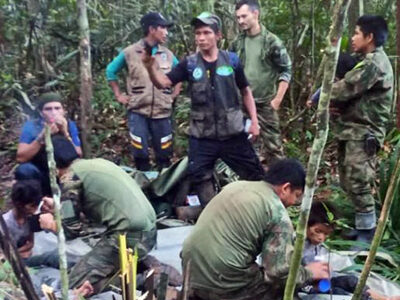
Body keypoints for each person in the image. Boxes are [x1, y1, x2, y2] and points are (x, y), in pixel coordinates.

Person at [181, 159, 330, 300]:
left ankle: (188, 299)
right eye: (296, 195)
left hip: (190, 267)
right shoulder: (277, 213)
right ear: (285, 188)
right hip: (226, 277)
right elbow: (277, 273)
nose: (294, 203)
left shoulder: (235, 186)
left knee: (224, 270)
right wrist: (309, 272)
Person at [143, 11, 264, 206]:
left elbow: (246, 91)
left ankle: (258, 211)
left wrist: (254, 122)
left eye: (206, 32)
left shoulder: (231, 60)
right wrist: (149, 67)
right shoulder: (189, 64)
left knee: (255, 174)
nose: (201, 38)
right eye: (198, 33)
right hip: (202, 135)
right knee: (198, 174)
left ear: (218, 36)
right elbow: (163, 83)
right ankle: (213, 211)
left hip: (232, 132)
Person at [38, 136, 158, 296]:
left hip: (128, 237)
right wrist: (59, 208)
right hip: (149, 232)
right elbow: (97, 207)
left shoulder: (70, 178)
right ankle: (136, 265)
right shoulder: (96, 164)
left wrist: (51, 224)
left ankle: (142, 279)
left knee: (73, 286)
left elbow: (71, 231)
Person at [330, 15, 393, 249]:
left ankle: (368, 233)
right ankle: (361, 225)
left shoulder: (374, 64)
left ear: (370, 37)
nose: (353, 38)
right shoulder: (364, 60)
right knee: (348, 179)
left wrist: (321, 94)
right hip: (352, 129)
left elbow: (345, 88)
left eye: (357, 33)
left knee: (359, 181)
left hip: (364, 131)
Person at [107, 12, 181, 171]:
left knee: (164, 152)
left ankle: (164, 186)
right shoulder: (130, 52)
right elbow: (110, 71)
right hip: (138, 111)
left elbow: (180, 74)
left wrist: (174, 94)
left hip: (162, 112)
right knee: (139, 151)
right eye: (163, 28)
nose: (166, 32)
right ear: (152, 29)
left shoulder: (167, 54)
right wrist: (119, 95)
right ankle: (143, 183)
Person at [303, 201, 400, 300]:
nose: (321, 238)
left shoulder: (314, 246)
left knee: (351, 281)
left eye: (326, 234)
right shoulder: (295, 245)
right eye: (318, 231)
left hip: (320, 283)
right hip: (304, 286)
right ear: (306, 224)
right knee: (340, 294)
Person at [232, 0, 291, 164]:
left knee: (274, 147)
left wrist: (277, 100)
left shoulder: (272, 42)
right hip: (242, 104)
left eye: (244, 16)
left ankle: (281, 184)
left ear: (255, 14)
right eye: (238, 17)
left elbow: (286, 70)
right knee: (243, 146)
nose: (240, 21)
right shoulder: (237, 42)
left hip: (265, 103)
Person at [16, 92, 82, 196]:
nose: (53, 112)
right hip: (42, 171)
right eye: (48, 109)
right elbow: (21, 157)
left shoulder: (69, 125)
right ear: (41, 113)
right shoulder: (32, 126)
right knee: (24, 170)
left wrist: (65, 133)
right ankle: (35, 203)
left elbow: (78, 154)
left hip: (65, 172)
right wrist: (41, 138)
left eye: (57, 108)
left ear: (63, 111)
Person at [2, 180, 42, 260]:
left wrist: (16, 253)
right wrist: (19, 255)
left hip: (24, 256)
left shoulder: (31, 219)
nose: (35, 210)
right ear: (19, 204)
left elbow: (30, 243)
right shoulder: (5, 224)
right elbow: (2, 255)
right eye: (32, 206)